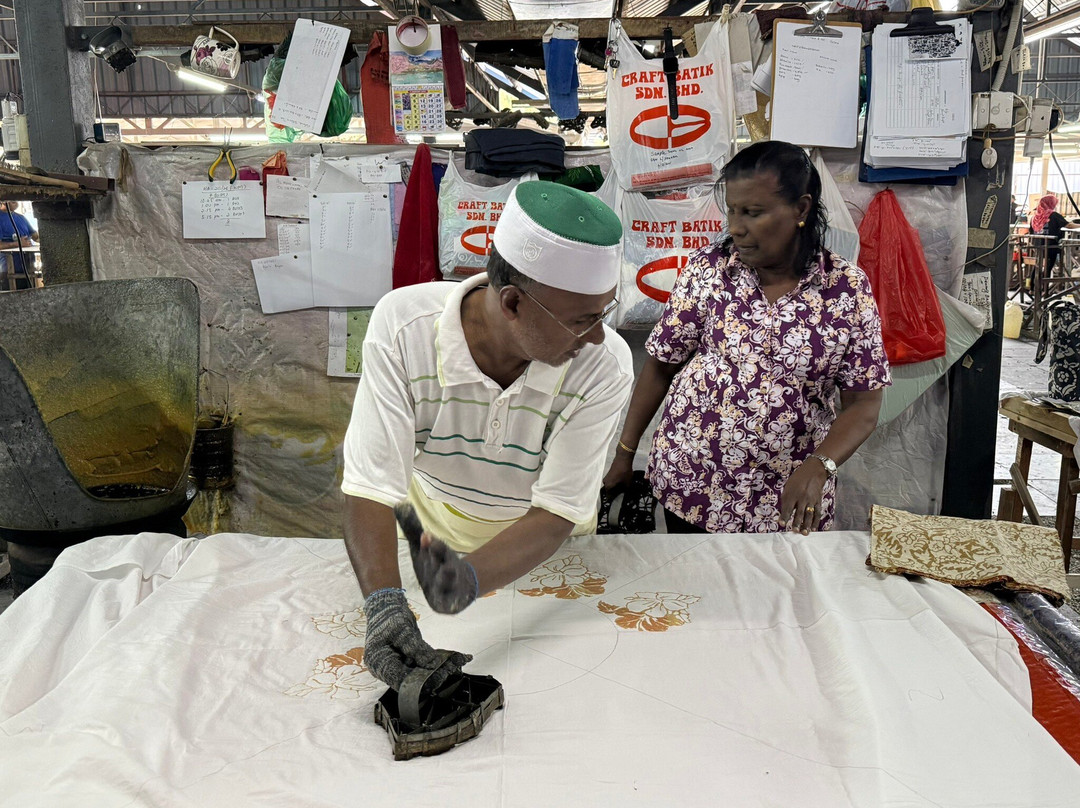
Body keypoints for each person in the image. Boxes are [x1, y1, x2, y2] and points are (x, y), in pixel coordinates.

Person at [342, 181, 632, 689]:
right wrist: (385, 603)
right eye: (583, 321)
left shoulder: (602, 367)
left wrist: (463, 582)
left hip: (545, 556)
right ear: (514, 303)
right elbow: (369, 484)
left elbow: (557, 510)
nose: (597, 337)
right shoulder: (405, 328)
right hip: (430, 544)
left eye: (603, 314)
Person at [604, 141, 890, 536]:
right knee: (695, 591)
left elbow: (864, 405)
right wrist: (625, 451)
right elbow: (660, 366)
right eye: (733, 211)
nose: (736, 227)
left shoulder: (845, 291)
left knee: (779, 595)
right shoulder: (709, 271)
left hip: (787, 499)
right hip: (693, 483)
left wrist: (820, 465)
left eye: (753, 213)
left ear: (801, 209)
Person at [1030, 193, 1080, 274]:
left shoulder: (1035, 217)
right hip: (1051, 246)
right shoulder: (1053, 215)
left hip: (1037, 246)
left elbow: (1031, 232)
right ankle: (1044, 285)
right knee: (1048, 267)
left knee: (1037, 266)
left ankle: (1033, 285)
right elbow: (1069, 225)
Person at [0, 201, 38, 289]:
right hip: (8, 272)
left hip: (29, 270)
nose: (15, 201)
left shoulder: (21, 217)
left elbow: (35, 237)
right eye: (12, 199)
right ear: (2, 200)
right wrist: (18, 244)